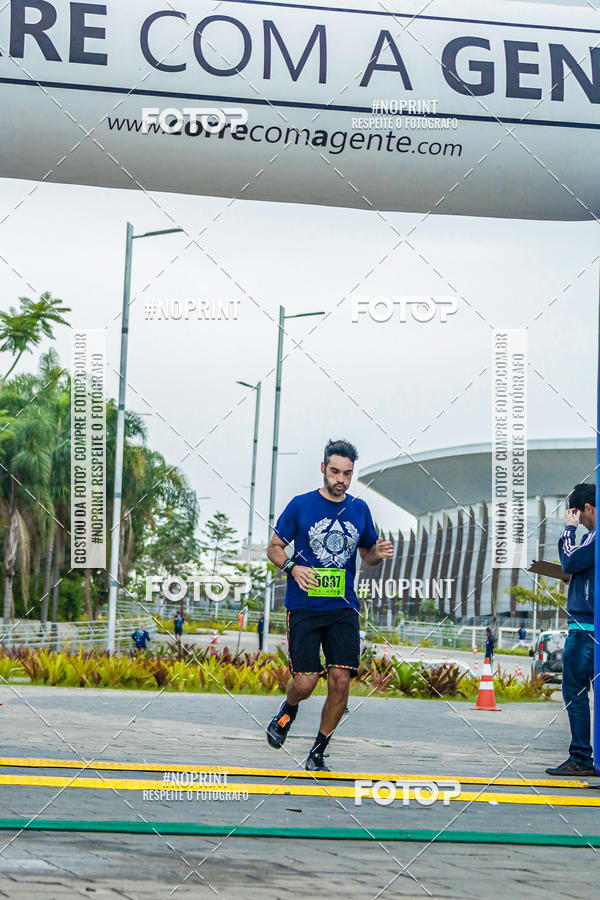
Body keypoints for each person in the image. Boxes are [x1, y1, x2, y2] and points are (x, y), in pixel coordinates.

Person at [265, 439, 393, 771]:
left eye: (347, 474)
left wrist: (376, 554)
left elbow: (367, 555)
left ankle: (318, 751)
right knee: (306, 682)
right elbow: (275, 547)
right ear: (323, 468)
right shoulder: (300, 505)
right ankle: (289, 708)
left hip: (343, 606)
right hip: (304, 605)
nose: (341, 480)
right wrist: (292, 567)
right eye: (335, 472)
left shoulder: (359, 509)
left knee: (340, 678)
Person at [546, 483, 596, 777]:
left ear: (587, 509)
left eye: (578, 514)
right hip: (592, 626)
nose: (578, 520)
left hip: (584, 630)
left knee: (575, 691)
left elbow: (570, 560)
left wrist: (568, 530)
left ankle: (580, 757)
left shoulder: (594, 537)